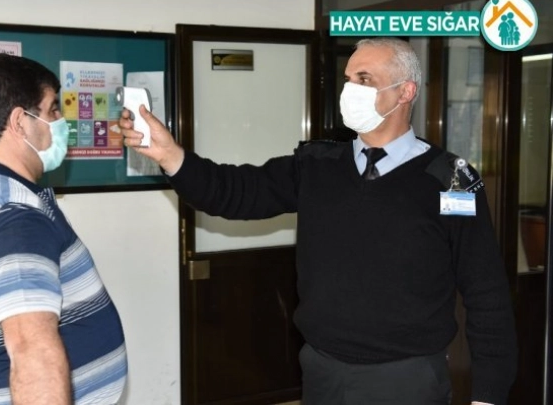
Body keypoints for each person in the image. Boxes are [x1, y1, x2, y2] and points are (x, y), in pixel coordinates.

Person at [118, 37, 517, 405]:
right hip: (323, 372)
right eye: (348, 79)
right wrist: (170, 155)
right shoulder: (316, 165)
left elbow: (486, 292)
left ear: (405, 91)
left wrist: (489, 395)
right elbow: (231, 192)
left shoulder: (450, 180)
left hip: (405, 379)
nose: (350, 89)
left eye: (365, 79)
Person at [0, 53, 127, 405]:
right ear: (19, 122)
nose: (61, 122)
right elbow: (31, 351)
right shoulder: (13, 218)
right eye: (52, 109)